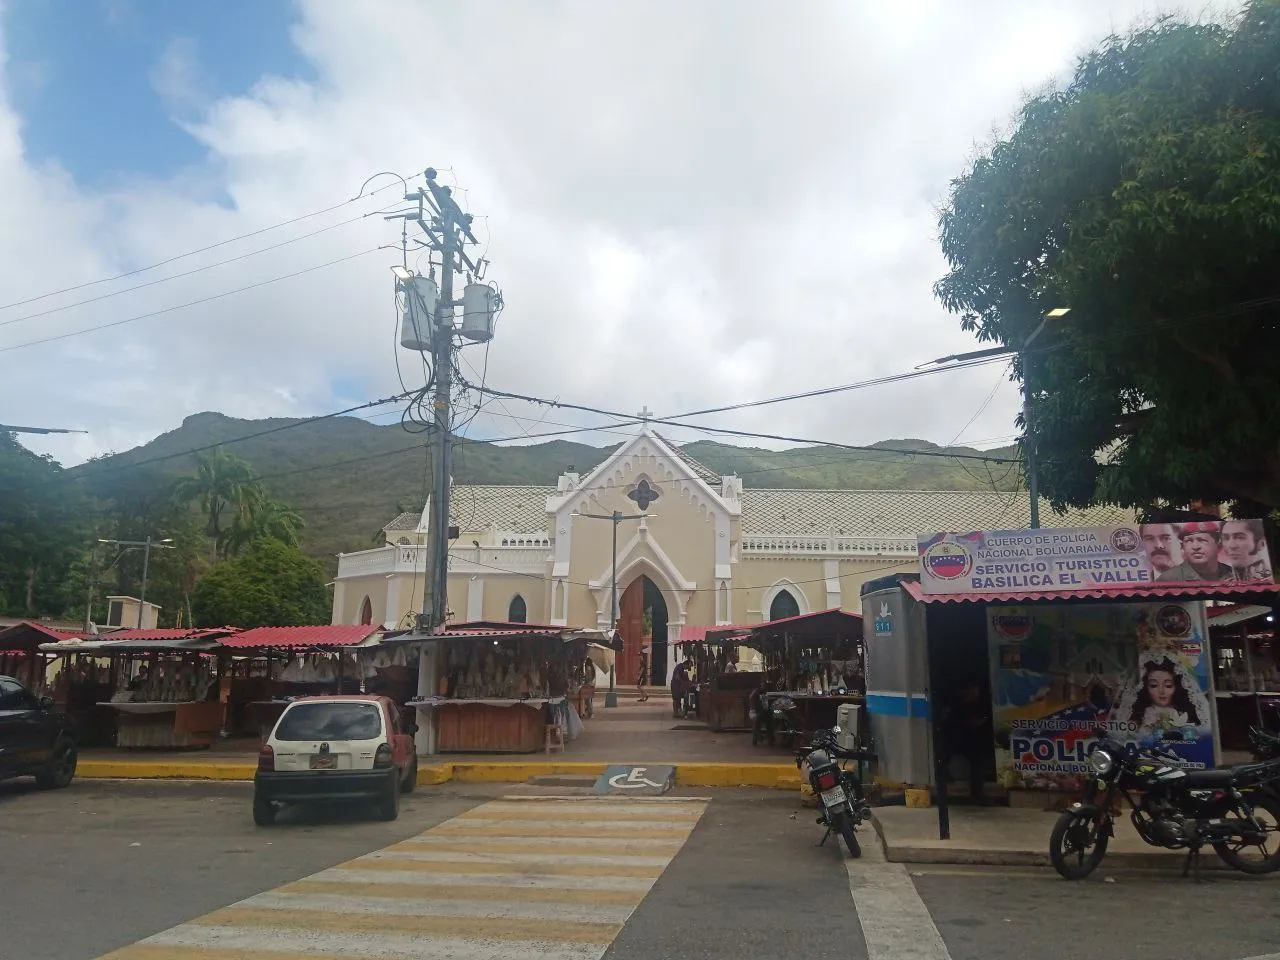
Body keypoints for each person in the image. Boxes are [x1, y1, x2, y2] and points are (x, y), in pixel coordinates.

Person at [940, 679, 991, 802]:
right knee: (945, 748)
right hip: (958, 739)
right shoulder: (956, 706)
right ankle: (943, 773)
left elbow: (982, 721)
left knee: (980, 761)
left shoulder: (983, 702)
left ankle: (977, 793)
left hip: (974, 742)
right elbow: (950, 725)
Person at [1128, 657, 1202, 733]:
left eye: (1168, 685)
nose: (1161, 691)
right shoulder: (1141, 715)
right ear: (1144, 687)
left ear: (1177, 686)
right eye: (1154, 685)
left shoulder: (1185, 714)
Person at [1157, 522, 1232, 581]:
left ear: (1218, 545)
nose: (1195, 547)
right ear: (1182, 546)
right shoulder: (1169, 579)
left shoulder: (1233, 574)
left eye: (1202, 540)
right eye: (1189, 541)